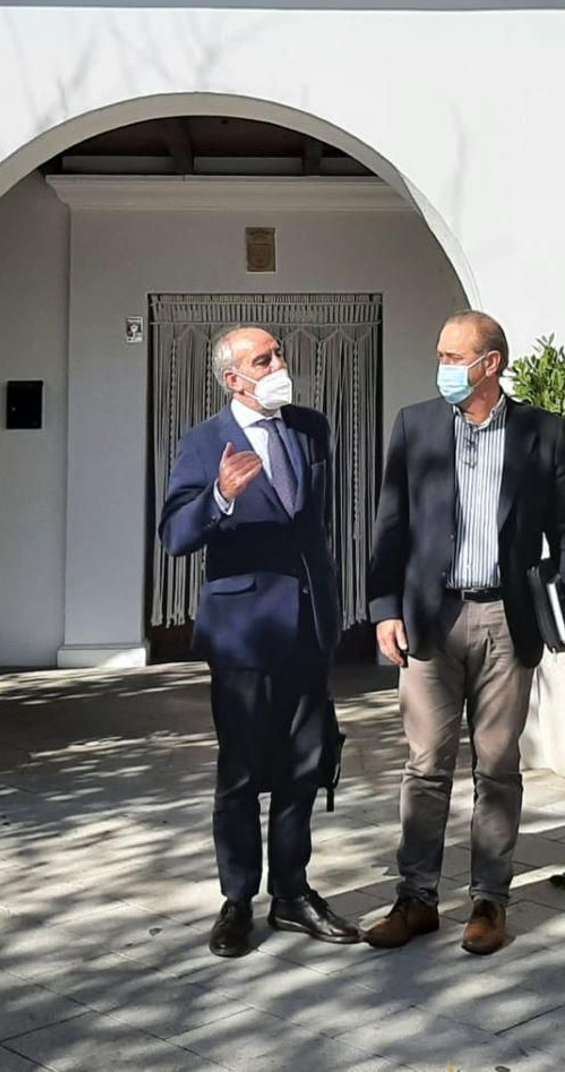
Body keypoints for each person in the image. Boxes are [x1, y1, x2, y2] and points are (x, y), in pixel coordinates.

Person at [363, 310, 565, 957]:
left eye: (452, 356)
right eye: (439, 355)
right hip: (428, 618)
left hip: (506, 618)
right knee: (425, 766)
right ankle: (415, 899)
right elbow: (392, 524)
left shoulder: (542, 433)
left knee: (497, 767)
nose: (441, 367)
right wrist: (384, 605)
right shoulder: (415, 426)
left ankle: (489, 902)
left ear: (489, 363)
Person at [159, 325, 358, 959]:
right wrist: (220, 495)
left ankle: (293, 893)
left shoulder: (310, 428)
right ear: (233, 378)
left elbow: (314, 525)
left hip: (309, 625)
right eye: (264, 358)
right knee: (242, 773)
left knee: (306, 765)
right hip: (244, 632)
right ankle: (238, 899)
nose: (279, 364)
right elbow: (174, 536)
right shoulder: (202, 441)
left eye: (279, 354)